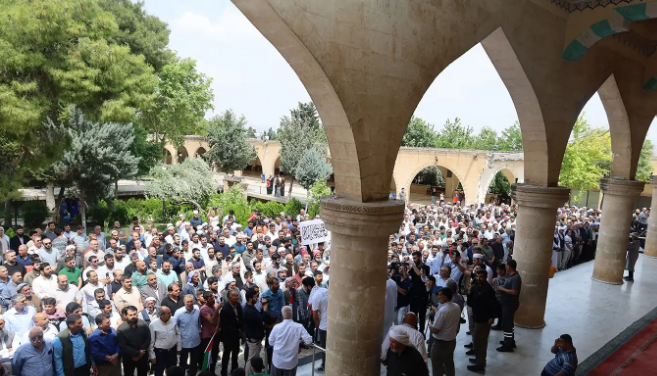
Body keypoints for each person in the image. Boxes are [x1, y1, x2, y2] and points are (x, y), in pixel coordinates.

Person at [466, 269, 497, 374]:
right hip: (476, 318)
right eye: (478, 276)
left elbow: (494, 305)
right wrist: (470, 291)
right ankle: (478, 359)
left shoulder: (488, 289)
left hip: (484, 320)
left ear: (485, 277)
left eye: (481, 277)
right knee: (476, 341)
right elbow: (470, 301)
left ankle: (480, 365)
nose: (479, 278)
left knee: (481, 343)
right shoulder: (476, 287)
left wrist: (492, 317)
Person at [269, 306, 312, 375]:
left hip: (277, 361)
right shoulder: (299, 327)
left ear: (282, 315)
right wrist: (299, 340)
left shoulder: (276, 327)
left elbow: (271, 342)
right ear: (292, 315)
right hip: (291, 363)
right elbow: (309, 340)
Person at [429, 288, 460, 376]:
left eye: (439, 295)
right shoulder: (456, 307)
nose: (438, 297)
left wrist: (431, 326)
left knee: (437, 366)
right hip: (451, 340)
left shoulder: (443, 311)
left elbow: (435, 330)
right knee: (449, 363)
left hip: (440, 343)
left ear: (445, 297)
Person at [116, 305, 151, 376]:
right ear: (126, 316)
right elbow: (122, 345)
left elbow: (148, 338)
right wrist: (136, 353)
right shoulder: (121, 329)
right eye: (130, 315)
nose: (133, 317)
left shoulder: (143, 324)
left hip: (143, 356)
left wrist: (141, 352)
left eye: (134, 314)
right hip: (129, 357)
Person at [149, 306, 182, 376]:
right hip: (160, 353)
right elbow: (151, 341)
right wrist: (152, 356)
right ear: (162, 315)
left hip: (172, 351)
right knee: (159, 371)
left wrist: (179, 347)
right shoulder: (153, 324)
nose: (170, 314)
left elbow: (178, 334)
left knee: (172, 372)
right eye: (168, 313)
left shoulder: (173, 320)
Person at [496, 259, 521, 352]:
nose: (505, 267)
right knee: (509, 323)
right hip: (506, 303)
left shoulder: (515, 278)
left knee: (507, 325)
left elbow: (514, 292)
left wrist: (502, 289)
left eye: (506, 265)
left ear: (509, 266)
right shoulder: (509, 275)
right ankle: (510, 341)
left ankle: (508, 345)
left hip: (510, 304)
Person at [175, 295, 201, 376]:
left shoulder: (197, 309)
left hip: (195, 341)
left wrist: (199, 333)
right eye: (188, 302)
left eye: (191, 301)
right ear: (184, 302)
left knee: (194, 361)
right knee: (183, 362)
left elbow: (199, 323)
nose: (189, 304)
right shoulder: (179, 312)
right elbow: (175, 327)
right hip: (184, 341)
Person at [220, 289, 243, 376]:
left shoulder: (238, 305)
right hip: (228, 336)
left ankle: (234, 370)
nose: (238, 297)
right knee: (227, 354)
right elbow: (224, 325)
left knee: (236, 353)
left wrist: (241, 328)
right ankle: (224, 371)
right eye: (236, 296)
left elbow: (241, 318)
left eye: (238, 295)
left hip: (237, 335)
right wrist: (236, 330)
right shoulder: (225, 309)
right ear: (230, 297)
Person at [199, 291, 221, 375]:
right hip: (207, 336)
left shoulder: (215, 305)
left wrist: (217, 326)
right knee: (208, 357)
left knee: (215, 355)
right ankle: (206, 373)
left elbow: (218, 317)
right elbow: (211, 320)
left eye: (213, 298)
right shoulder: (203, 309)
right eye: (211, 299)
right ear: (205, 300)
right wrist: (217, 309)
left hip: (215, 334)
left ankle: (212, 372)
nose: (213, 300)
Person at [310, 284, 328, 372]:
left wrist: (317, 323)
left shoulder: (315, 297)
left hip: (324, 326)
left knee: (324, 347)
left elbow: (315, 315)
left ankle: (325, 365)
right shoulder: (325, 290)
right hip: (332, 325)